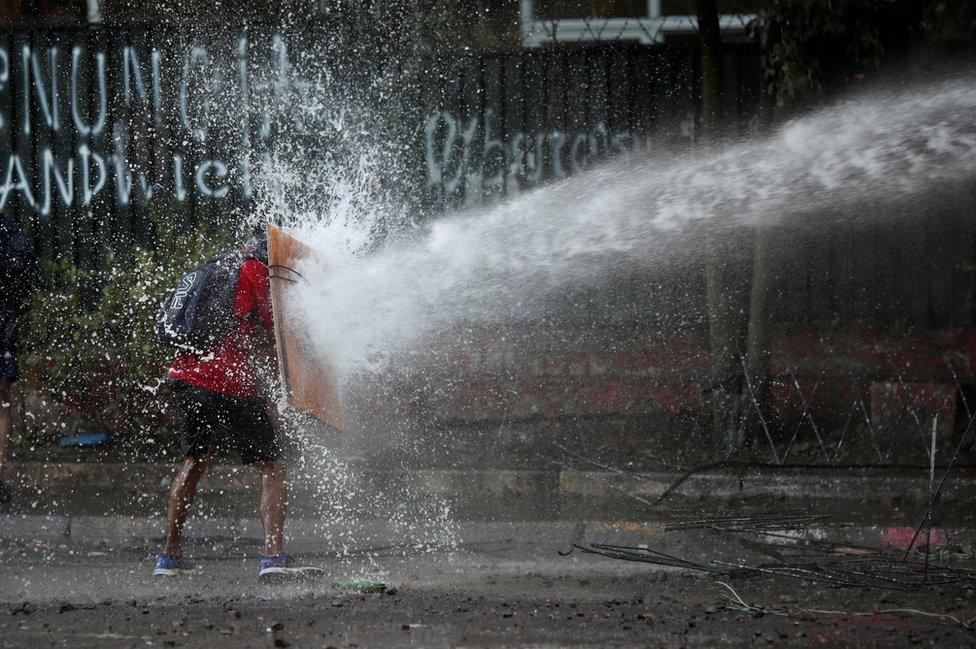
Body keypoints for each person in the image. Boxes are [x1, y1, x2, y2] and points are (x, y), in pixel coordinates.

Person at [155, 232, 321, 582]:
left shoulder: (217, 267)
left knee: (194, 460)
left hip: (186, 374)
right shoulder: (255, 272)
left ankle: (169, 554)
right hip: (230, 381)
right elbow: (272, 333)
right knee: (271, 468)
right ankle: (273, 556)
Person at [0, 215, 36, 504]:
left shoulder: (8, 230)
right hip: (3, 325)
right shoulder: (8, 230)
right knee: (1, 403)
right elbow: (25, 276)